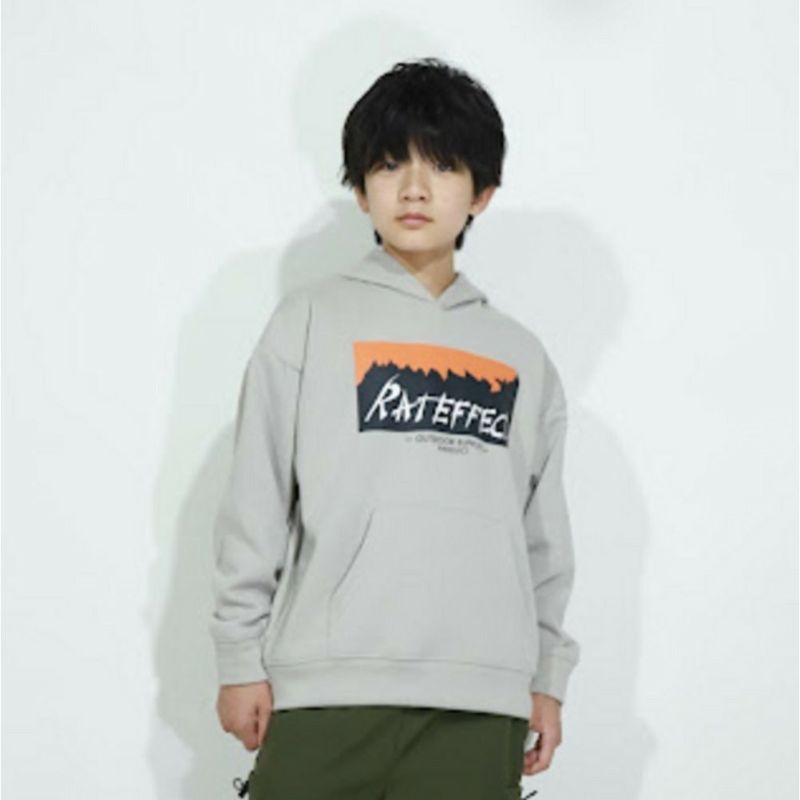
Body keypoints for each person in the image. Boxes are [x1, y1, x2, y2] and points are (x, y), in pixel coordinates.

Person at [209, 56, 580, 799]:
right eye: (389, 165)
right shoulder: (308, 322)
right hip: (327, 689)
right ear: (360, 188)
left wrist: (547, 676)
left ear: (482, 192)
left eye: (442, 166)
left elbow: (542, 538)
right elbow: (256, 500)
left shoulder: (522, 357)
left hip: (480, 699)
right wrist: (238, 657)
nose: (414, 188)